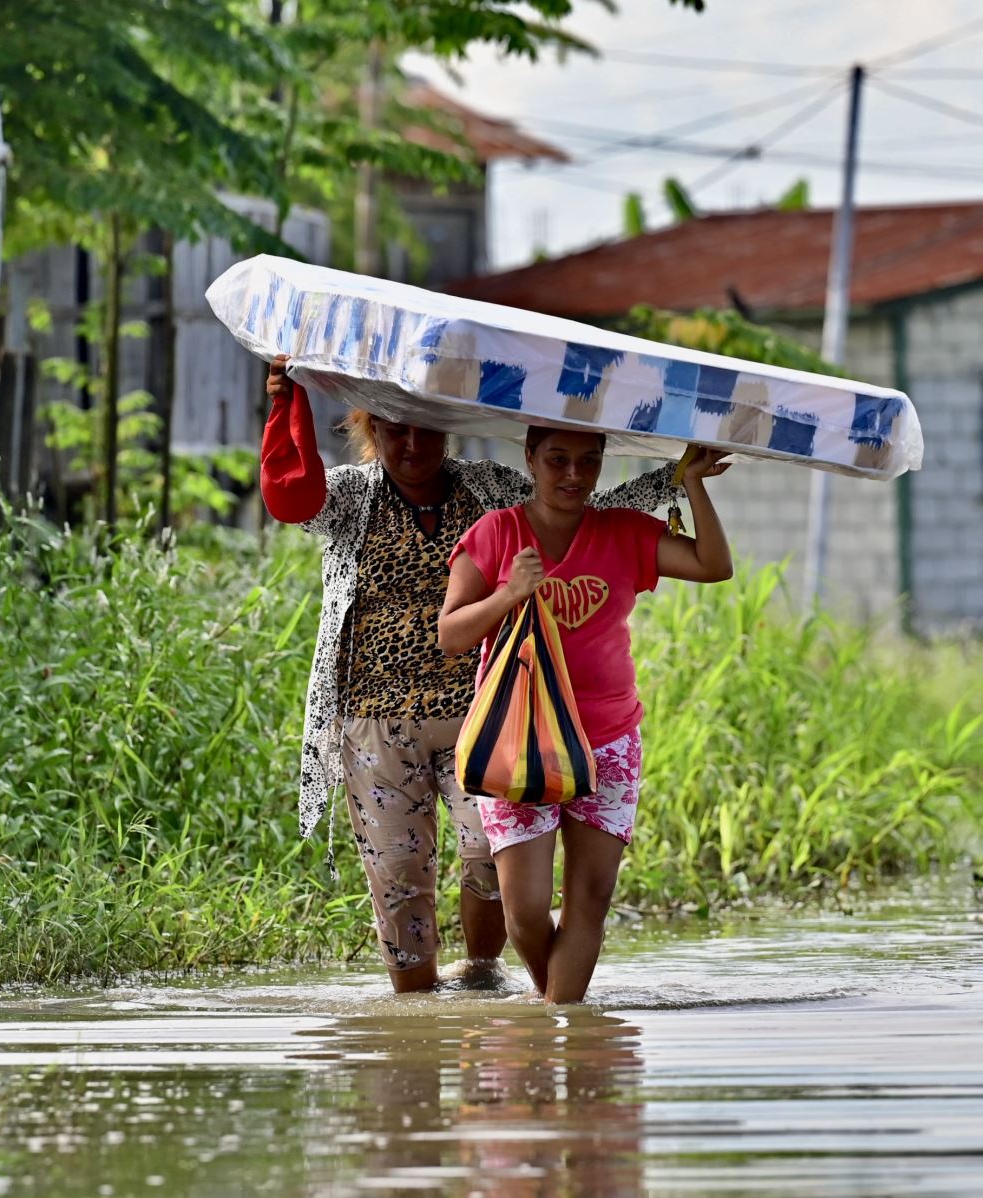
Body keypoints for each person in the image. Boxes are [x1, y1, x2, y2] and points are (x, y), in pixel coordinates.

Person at [259, 356, 680, 993]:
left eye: (425, 430)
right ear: (371, 430)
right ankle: (418, 1012)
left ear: (446, 431)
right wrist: (285, 402)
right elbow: (293, 498)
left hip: (486, 713)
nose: (411, 444)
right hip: (374, 719)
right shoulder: (350, 496)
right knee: (399, 874)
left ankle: (484, 976)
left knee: (489, 855)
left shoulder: (484, 488)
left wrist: (677, 476)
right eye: (394, 430)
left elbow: (574, 503)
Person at [438, 426, 733, 1003]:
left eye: (588, 462)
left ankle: (560, 1028)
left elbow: (712, 565)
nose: (573, 475)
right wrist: (508, 594)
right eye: (557, 460)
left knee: (588, 904)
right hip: (518, 744)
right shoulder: (497, 533)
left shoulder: (622, 531)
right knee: (524, 912)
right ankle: (563, 1020)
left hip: (609, 743)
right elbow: (450, 633)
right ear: (529, 458)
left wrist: (692, 483)